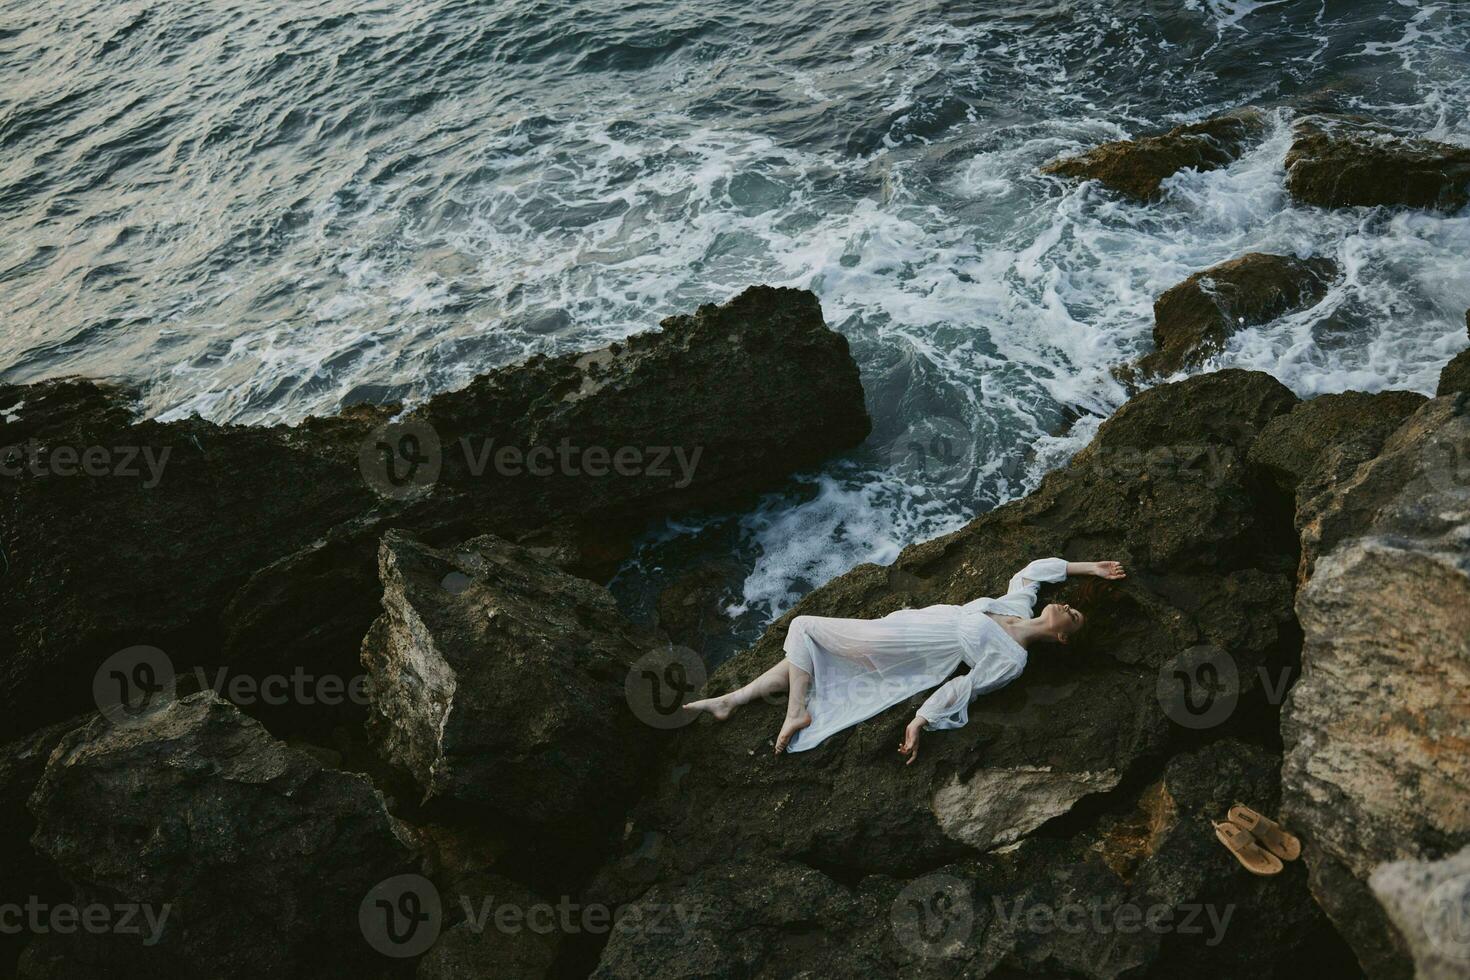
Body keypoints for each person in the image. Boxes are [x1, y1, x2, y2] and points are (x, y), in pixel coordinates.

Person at [684, 558, 1125, 758]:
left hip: (905, 647)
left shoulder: (1012, 660)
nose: (1066, 607)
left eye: (1074, 615)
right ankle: (732, 700)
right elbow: (1030, 571)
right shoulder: (1017, 606)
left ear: (1064, 639)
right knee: (809, 657)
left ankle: (796, 712)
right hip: (904, 629)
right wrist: (1089, 568)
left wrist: (920, 721)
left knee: (804, 628)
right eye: (1070, 604)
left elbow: (963, 687)